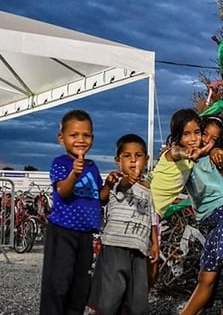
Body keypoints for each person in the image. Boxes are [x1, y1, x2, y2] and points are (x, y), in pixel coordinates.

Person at [150, 108, 223, 315]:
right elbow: (175, 152)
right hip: (215, 219)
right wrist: (190, 152)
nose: (196, 139)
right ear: (178, 135)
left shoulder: (212, 154)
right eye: (189, 134)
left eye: (198, 133)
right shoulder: (182, 155)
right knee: (207, 277)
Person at [40, 109, 113, 315]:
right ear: (61, 138)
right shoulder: (60, 163)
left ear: (92, 137)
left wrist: (109, 184)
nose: (81, 139)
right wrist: (74, 173)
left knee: (81, 285)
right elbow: (63, 191)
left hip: (86, 235)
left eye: (86, 135)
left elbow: (99, 197)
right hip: (62, 232)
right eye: (74, 135)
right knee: (58, 284)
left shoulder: (92, 166)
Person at [86, 134, 159, 315]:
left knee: (137, 300)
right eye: (127, 156)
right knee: (110, 297)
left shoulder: (149, 187)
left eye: (138, 155)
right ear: (118, 160)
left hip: (140, 249)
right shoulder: (116, 181)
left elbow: (151, 217)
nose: (133, 160)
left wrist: (155, 243)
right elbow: (107, 196)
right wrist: (120, 182)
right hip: (115, 246)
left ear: (147, 159)